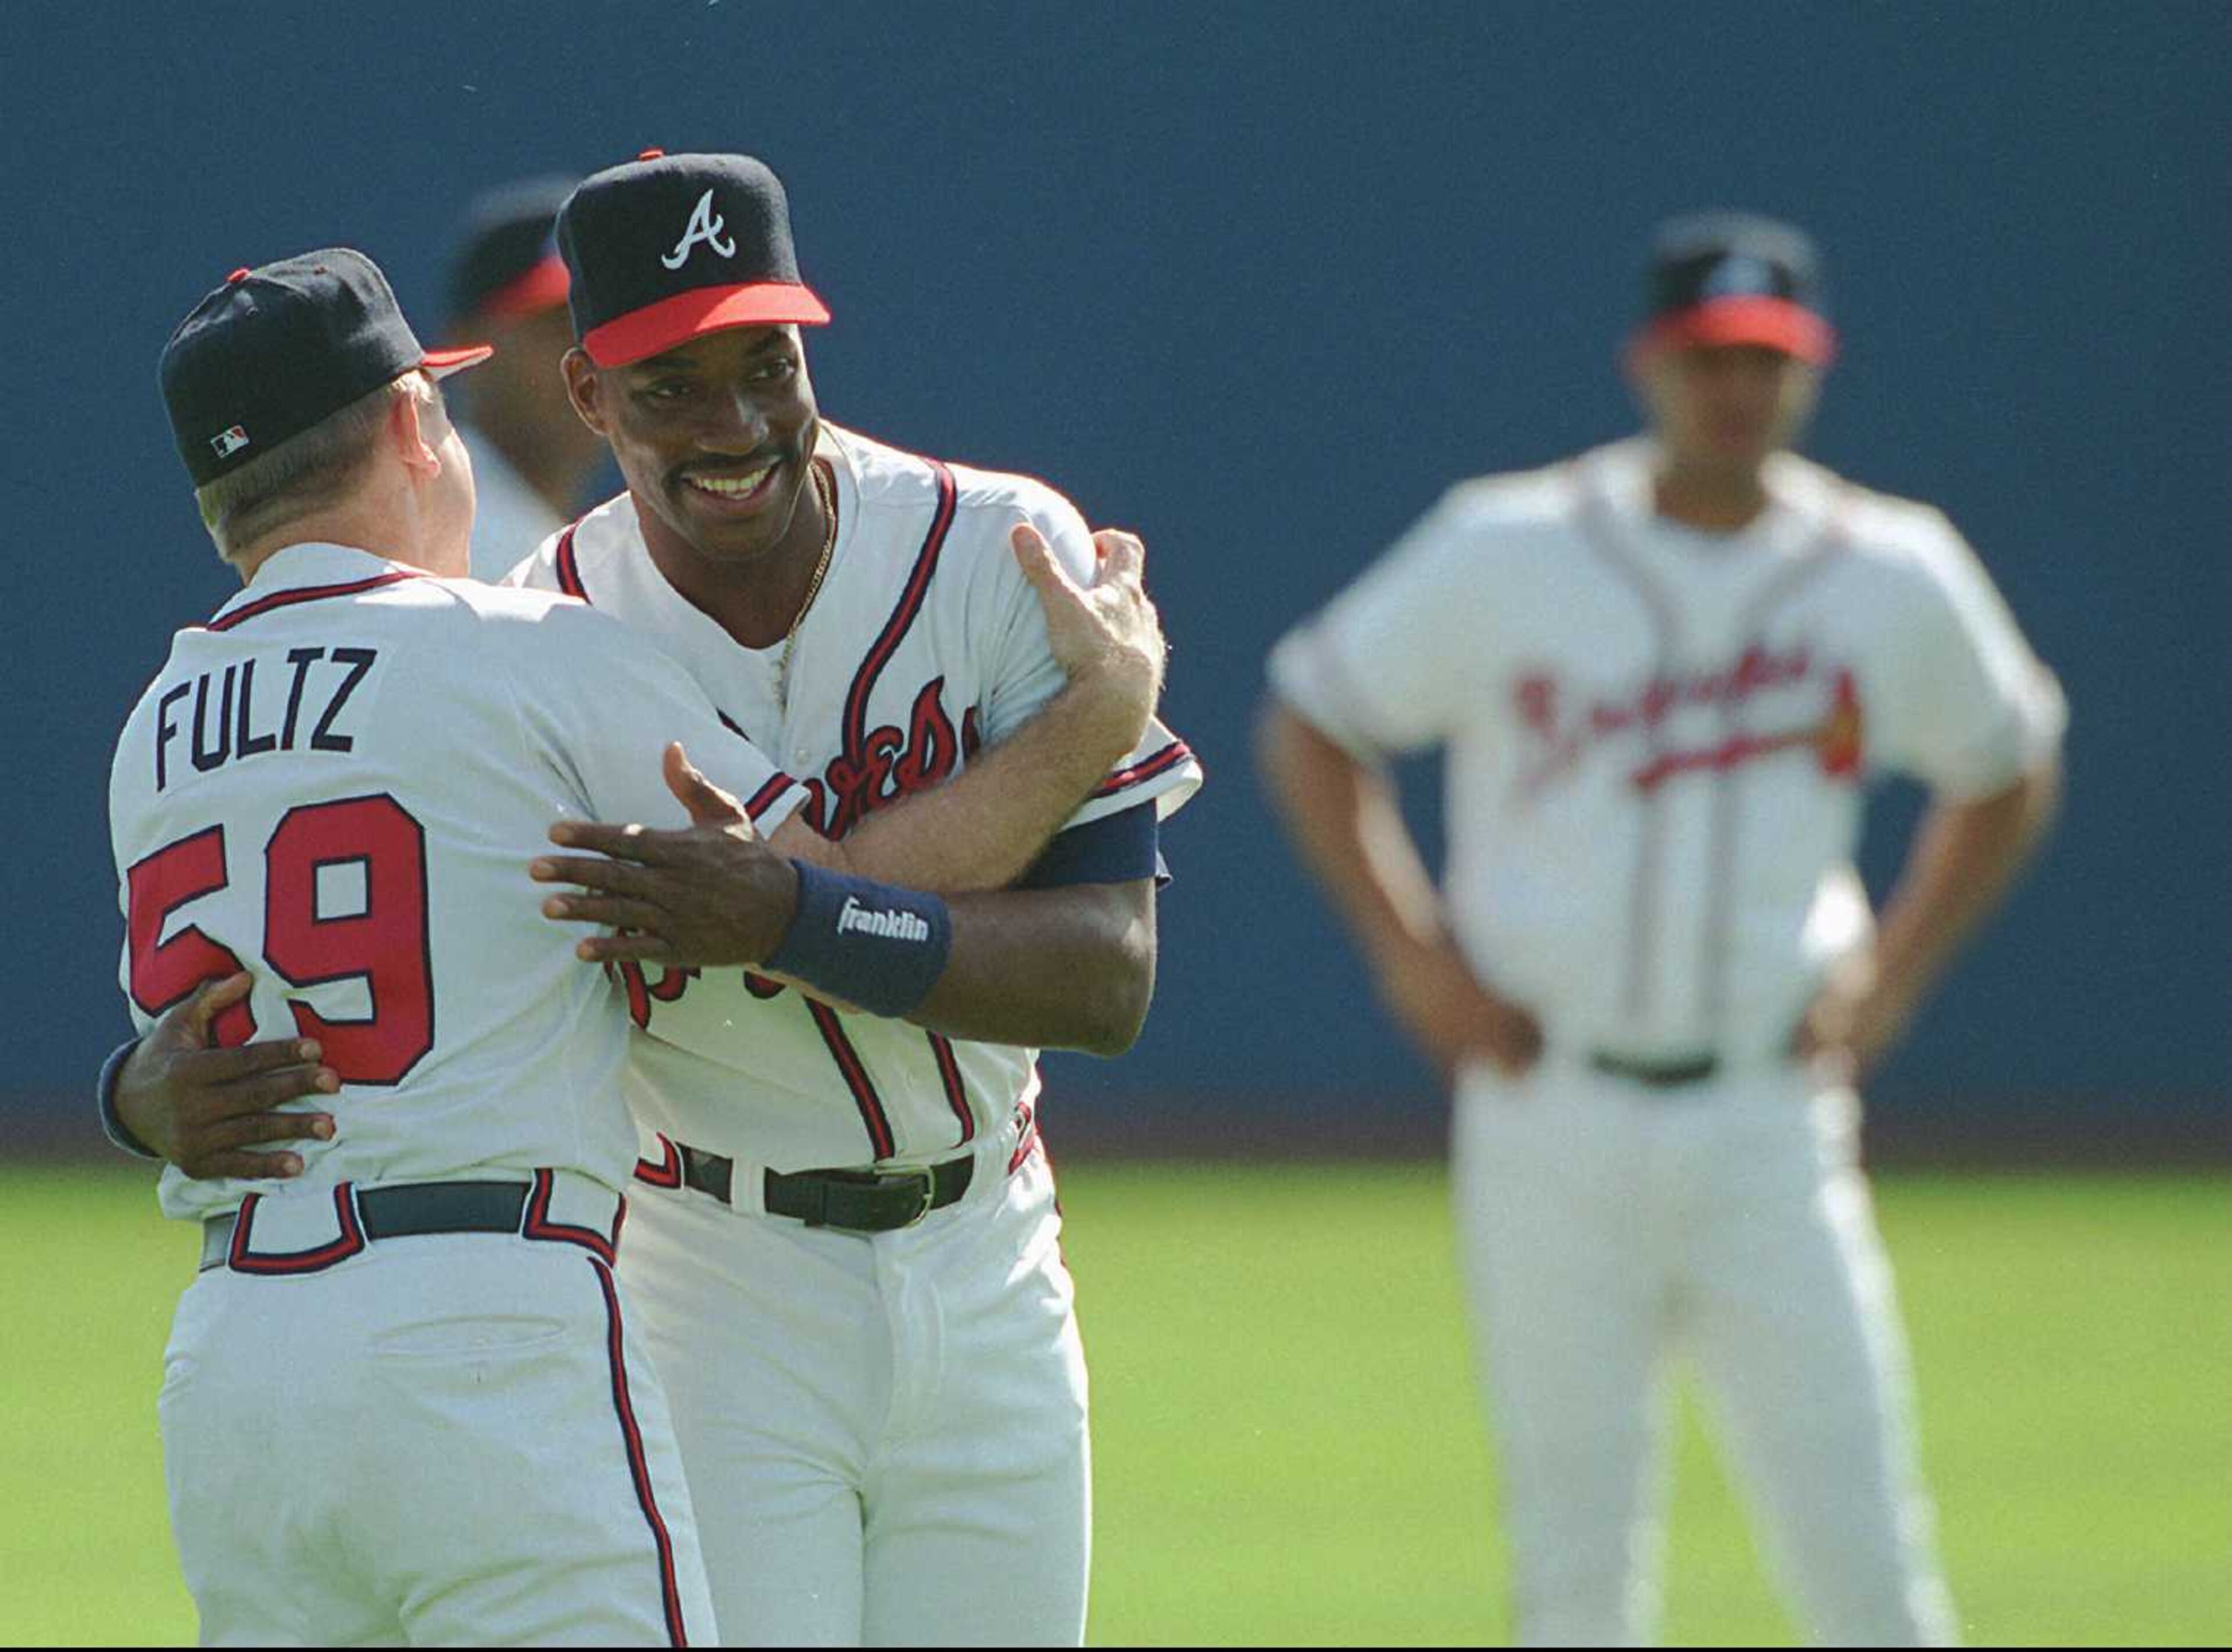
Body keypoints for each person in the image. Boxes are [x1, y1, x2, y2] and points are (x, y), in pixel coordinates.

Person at [115, 149, 1201, 1648]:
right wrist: (1101, 713)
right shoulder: (545, 634)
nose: (735, 419)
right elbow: (802, 888)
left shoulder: (995, 542)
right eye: (670, 382)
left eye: (765, 360)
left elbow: (1104, 981)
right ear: (583, 397)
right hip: (714, 1272)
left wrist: (128, 1095)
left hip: (987, 1244)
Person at [1257, 211, 2065, 1646]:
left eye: (1763, 360)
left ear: (1805, 371)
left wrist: (1894, 969)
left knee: (1867, 1562)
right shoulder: (1510, 544)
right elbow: (1314, 721)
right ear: (1649, 364)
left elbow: (2007, 760)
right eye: (1708, 358)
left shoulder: (1888, 568)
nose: (1733, 391)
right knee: (1572, 1575)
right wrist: (1412, 952)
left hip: (1768, 1114)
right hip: (1547, 1108)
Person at [442, 176, 611, 578]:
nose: (585, 355)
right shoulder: (451, 535)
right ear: (465, 347)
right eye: (556, 326)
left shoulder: (545, 540)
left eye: (601, 324)